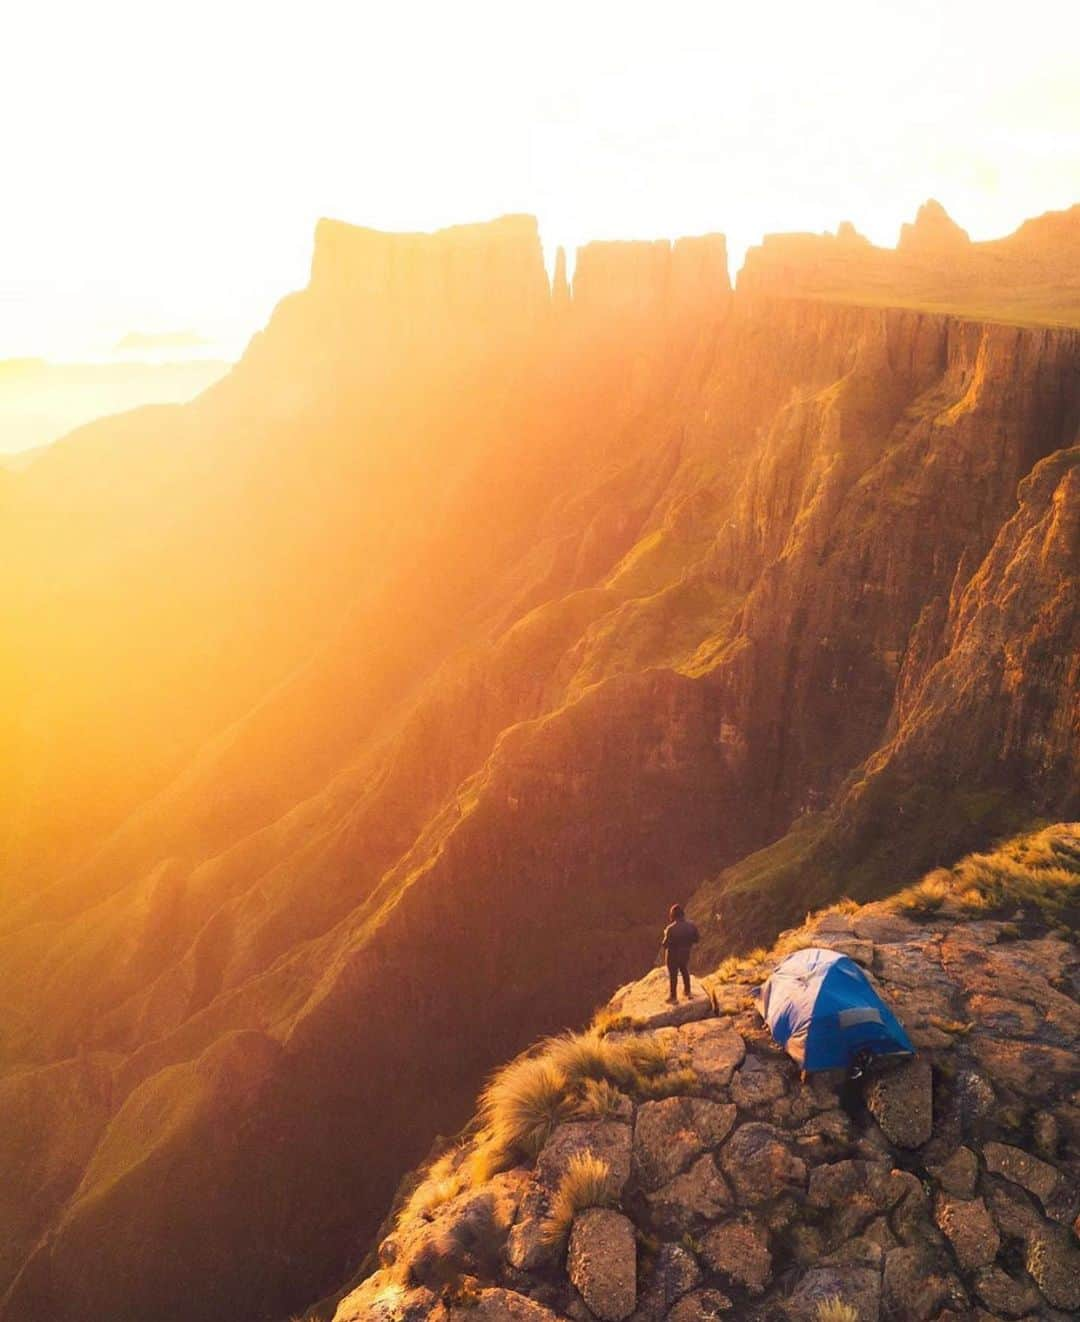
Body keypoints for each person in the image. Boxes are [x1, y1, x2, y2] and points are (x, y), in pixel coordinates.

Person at [660, 903, 699, 1003]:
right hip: (685, 954)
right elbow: (696, 939)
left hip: (673, 956)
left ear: (673, 915)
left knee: (673, 975)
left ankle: (673, 997)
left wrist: (665, 934)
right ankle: (687, 991)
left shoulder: (670, 929)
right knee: (684, 970)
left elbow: (665, 944)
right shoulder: (692, 925)